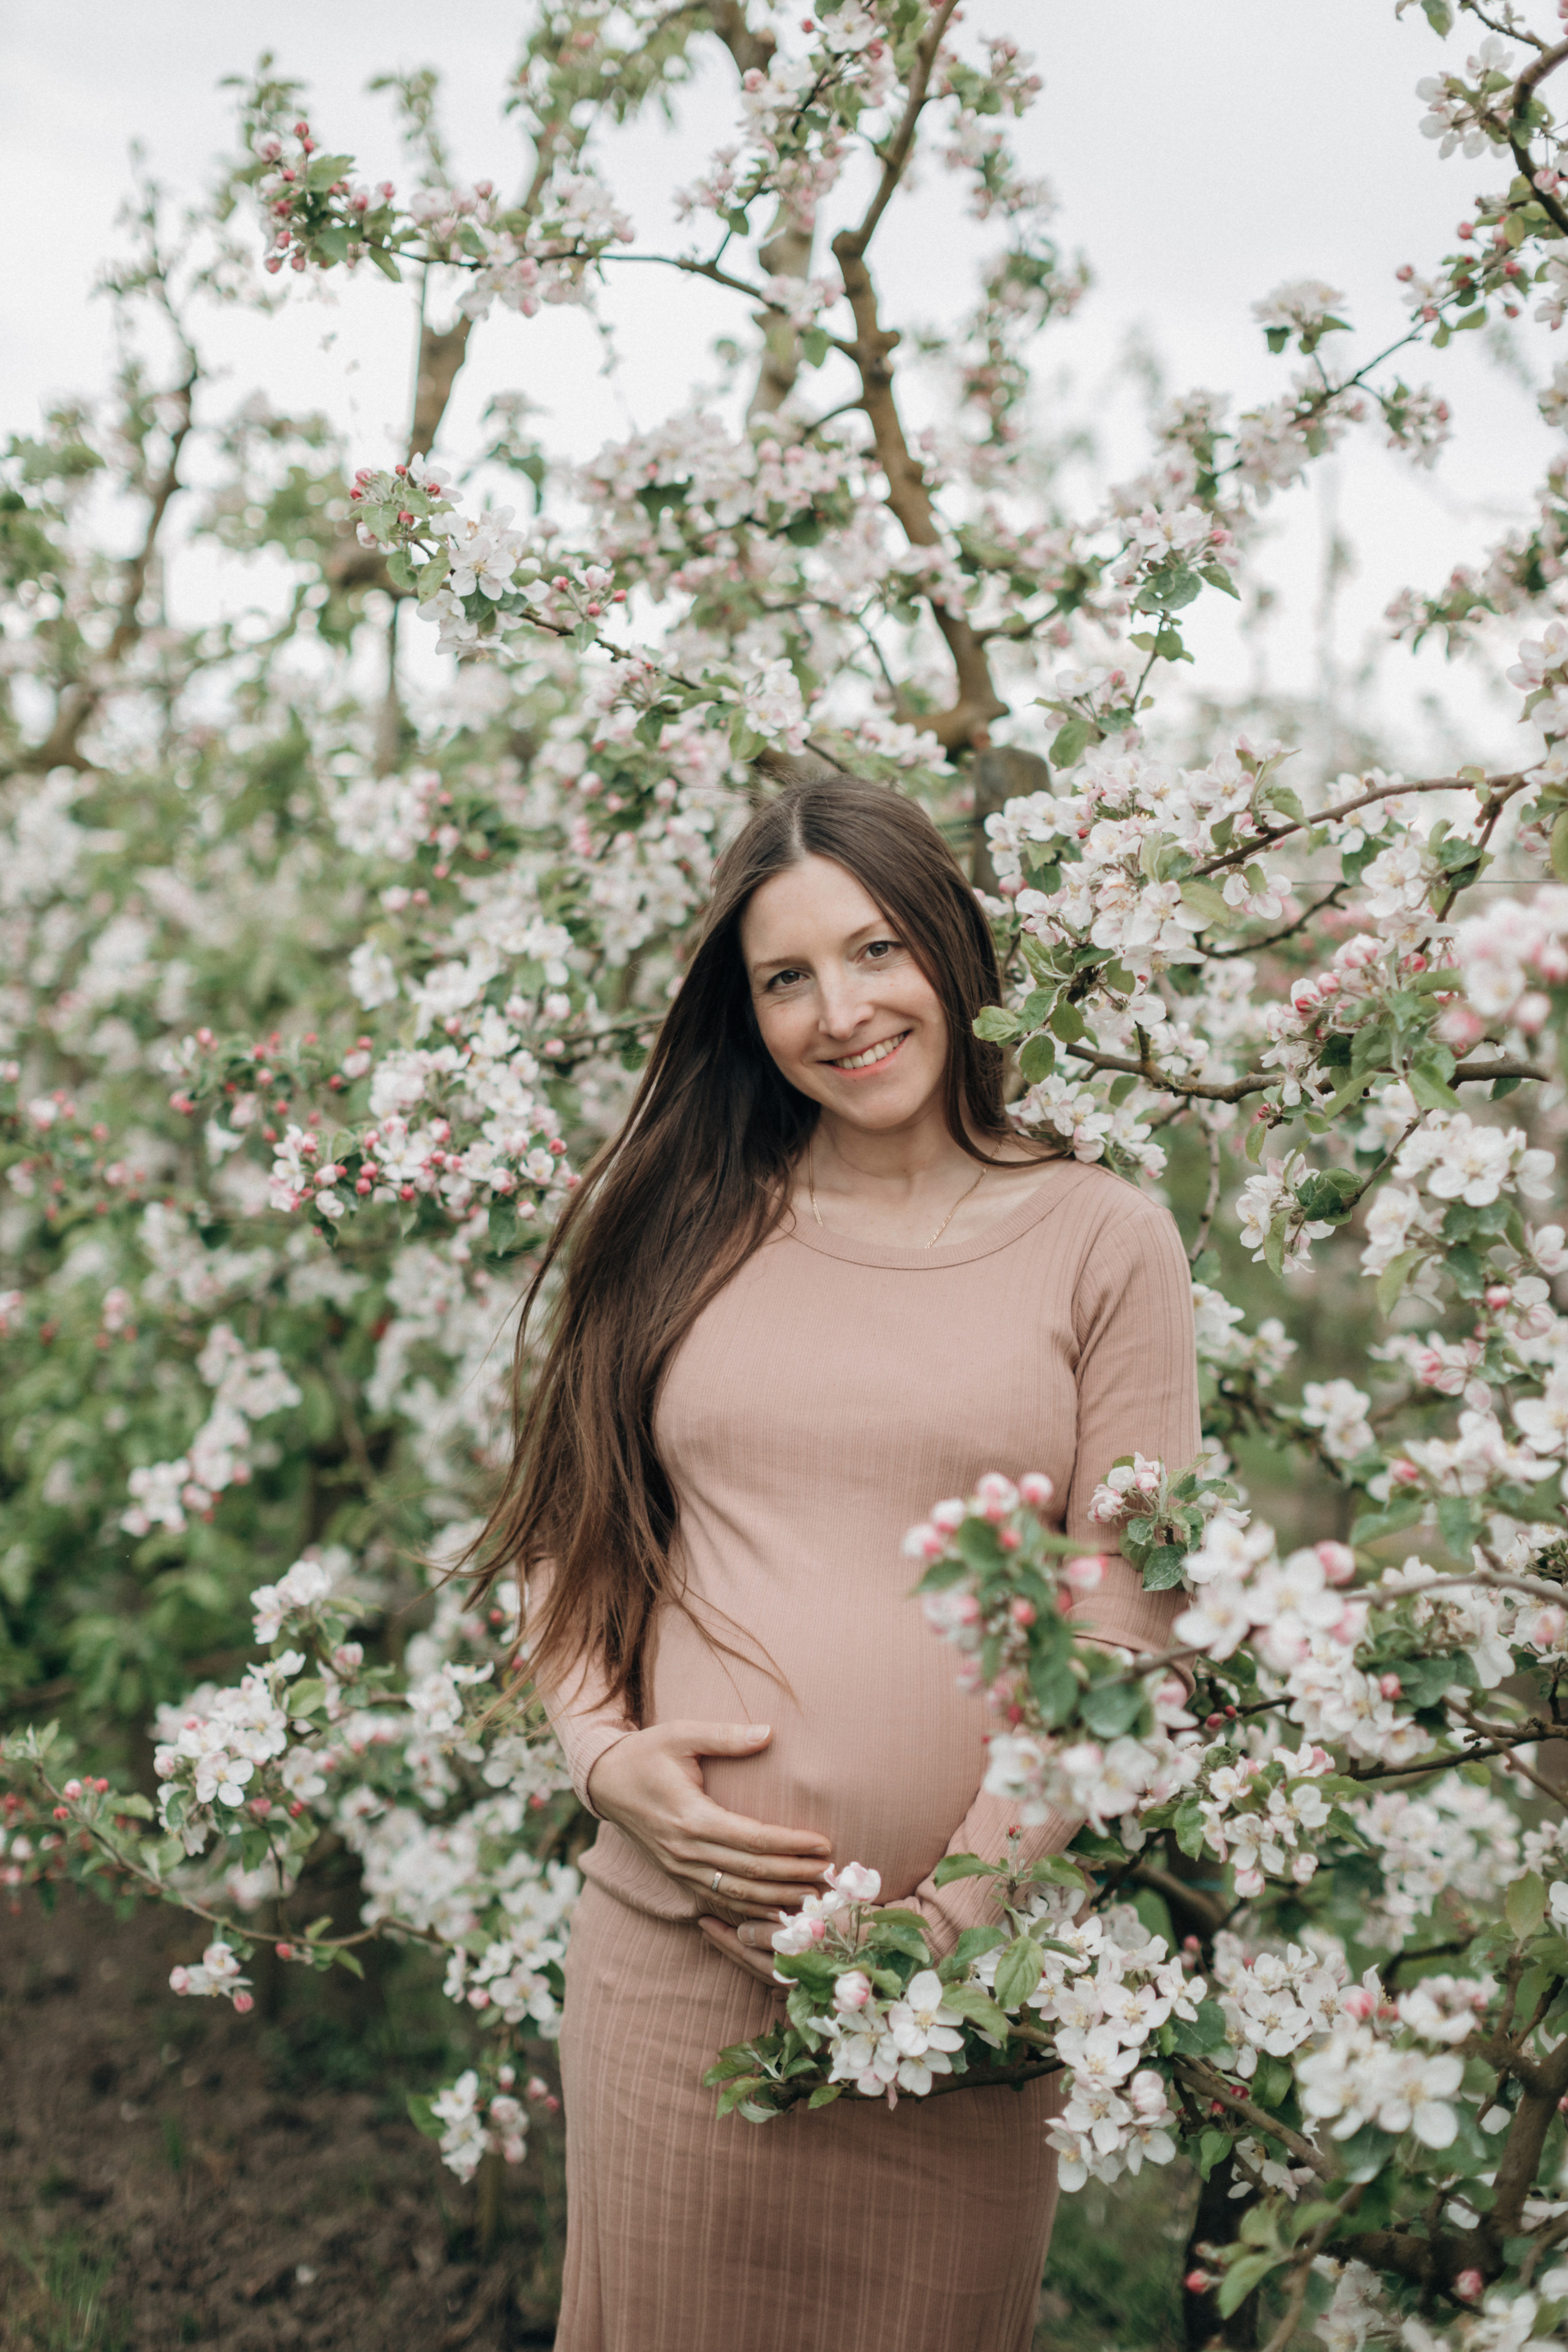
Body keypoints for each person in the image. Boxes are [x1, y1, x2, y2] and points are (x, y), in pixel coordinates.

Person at [475, 767, 1199, 2352]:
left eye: (875, 951)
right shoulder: (688, 1217)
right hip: (675, 1961)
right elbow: (570, 1537)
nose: (841, 1011)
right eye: (785, 977)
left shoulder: (1100, 1237)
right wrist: (607, 1764)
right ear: (748, 1014)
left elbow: (1127, 1620)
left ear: (948, 946)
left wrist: (946, 1929)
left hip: (959, 1993)